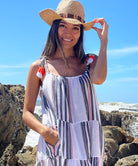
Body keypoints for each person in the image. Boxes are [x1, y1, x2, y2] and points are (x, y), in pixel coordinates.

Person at [23, 0, 108, 165]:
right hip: (55, 143)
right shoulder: (39, 67)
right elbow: (27, 112)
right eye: (63, 26)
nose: (69, 33)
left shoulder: (89, 62)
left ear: (81, 32)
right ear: (55, 28)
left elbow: (99, 79)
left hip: (88, 143)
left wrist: (103, 42)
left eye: (75, 28)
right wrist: (45, 132)